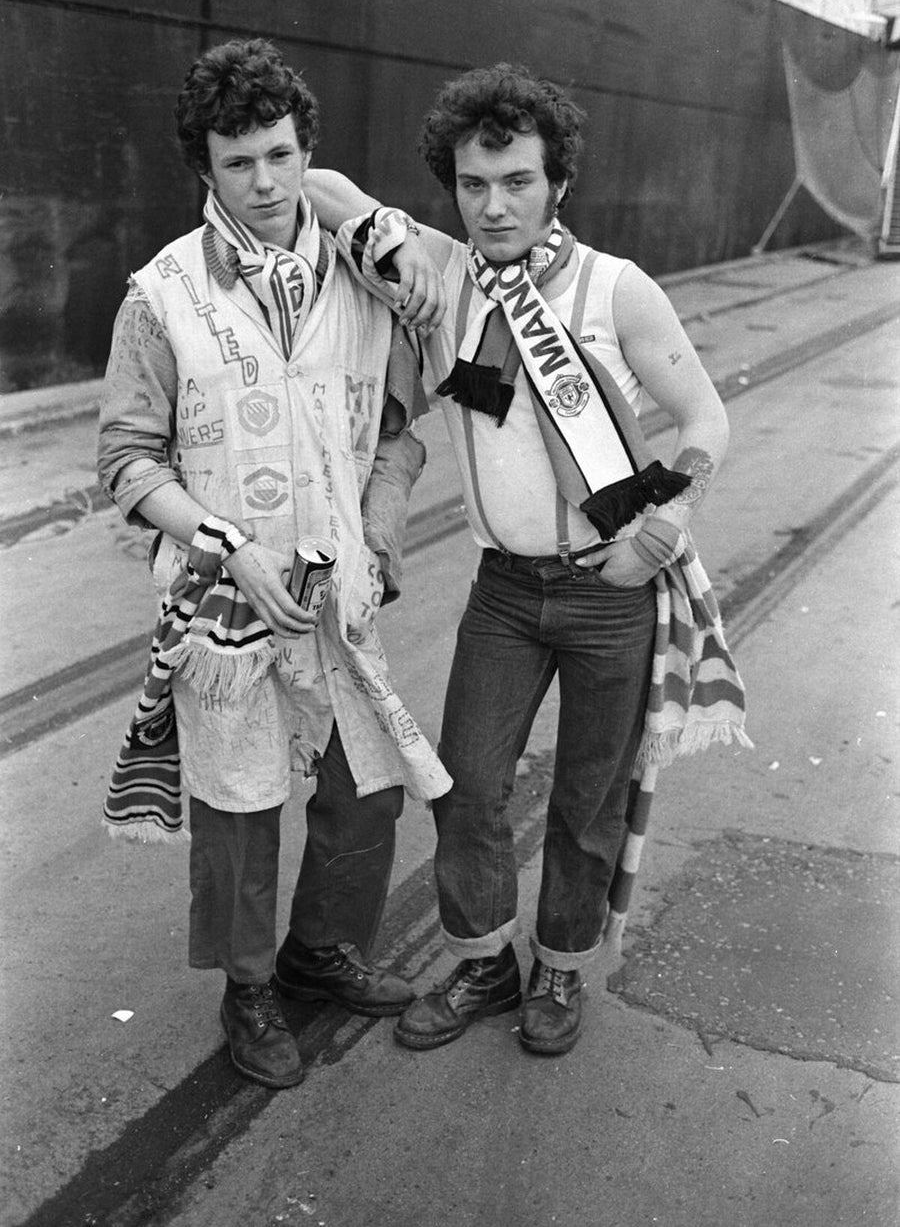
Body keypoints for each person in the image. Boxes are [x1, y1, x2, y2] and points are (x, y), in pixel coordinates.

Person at [304, 61, 746, 1057]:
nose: (493, 205)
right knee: (466, 784)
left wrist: (660, 539)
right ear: (451, 188)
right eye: (472, 185)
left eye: (516, 182)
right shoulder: (443, 275)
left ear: (557, 185)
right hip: (502, 592)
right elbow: (318, 187)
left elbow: (704, 420)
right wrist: (376, 230)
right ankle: (483, 960)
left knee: (588, 806)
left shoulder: (614, 290)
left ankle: (559, 968)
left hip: (609, 594)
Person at [97, 38, 450, 1089]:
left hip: (338, 587)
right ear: (204, 166)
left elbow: (400, 425)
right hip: (224, 600)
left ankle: (320, 952)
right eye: (238, 161)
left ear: (308, 154)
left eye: (281, 156)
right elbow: (124, 461)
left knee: (365, 789)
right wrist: (226, 549)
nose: (264, 183)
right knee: (240, 809)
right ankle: (250, 988)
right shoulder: (158, 295)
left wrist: (379, 529)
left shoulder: (366, 270)